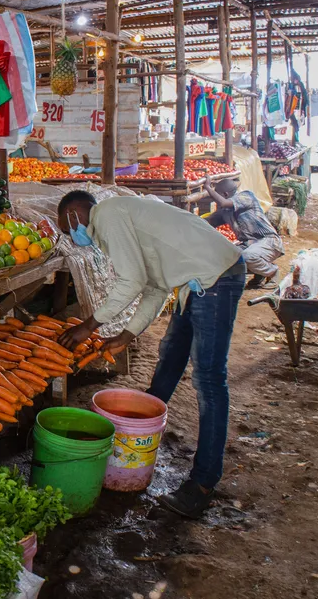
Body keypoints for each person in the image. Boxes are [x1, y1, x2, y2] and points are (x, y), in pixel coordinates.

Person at [56, 191, 245, 518]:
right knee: (171, 354)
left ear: (75, 214)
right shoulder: (119, 220)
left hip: (213, 280)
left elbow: (131, 282)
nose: (72, 237)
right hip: (197, 282)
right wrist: (126, 335)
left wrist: (89, 326)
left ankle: (202, 484)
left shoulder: (108, 214)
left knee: (209, 383)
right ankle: (140, 422)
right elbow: (155, 287)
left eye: (67, 228)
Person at [203, 177, 283, 288]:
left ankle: (272, 272)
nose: (215, 201)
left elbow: (224, 203)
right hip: (249, 244)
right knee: (226, 258)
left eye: (217, 196)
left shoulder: (246, 196)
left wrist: (207, 188)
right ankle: (259, 273)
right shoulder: (224, 211)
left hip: (269, 241)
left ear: (225, 194)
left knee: (247, 256)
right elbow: (207, 222)